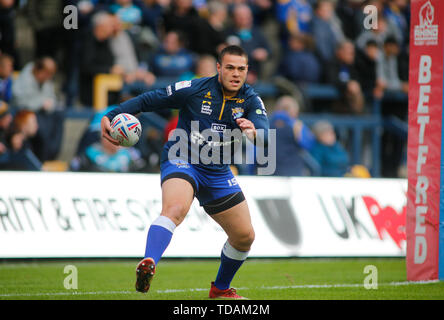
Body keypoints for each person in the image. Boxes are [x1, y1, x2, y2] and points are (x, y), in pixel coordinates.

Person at [101, 45, 269, 299]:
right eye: (230, 68)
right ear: (219, 69)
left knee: (244, 236)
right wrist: (112, 114)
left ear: (247, 70)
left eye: (241, 69)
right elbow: (149, 99)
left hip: (217, 171)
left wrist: (254, 133)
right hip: (183, 158)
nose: (236, 74)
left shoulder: (251, 99)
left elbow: (265, 136)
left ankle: (220, 290)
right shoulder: (194, 89)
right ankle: (149, 262)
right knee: (175, 209)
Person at [270, 95, 315, 176]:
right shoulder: (296, 125)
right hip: (292, 171)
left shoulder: (264, 122)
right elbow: (308, 146)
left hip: (266, 171)